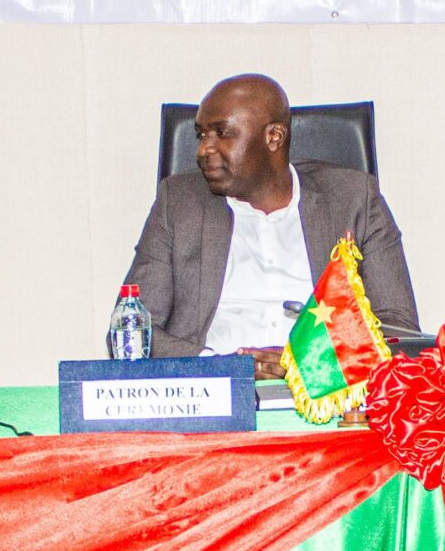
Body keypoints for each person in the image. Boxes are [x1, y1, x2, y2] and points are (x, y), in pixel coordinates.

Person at [124, 74, 419, 376]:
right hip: (216, 387)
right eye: (202, 135)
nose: (203, 150)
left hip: (326, 390)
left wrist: (312, 364)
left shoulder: (353, 199)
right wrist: (222, 367)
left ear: (274, 137)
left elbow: (399, 328)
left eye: (222, 134)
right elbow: (133, 328)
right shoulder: (178, 202)